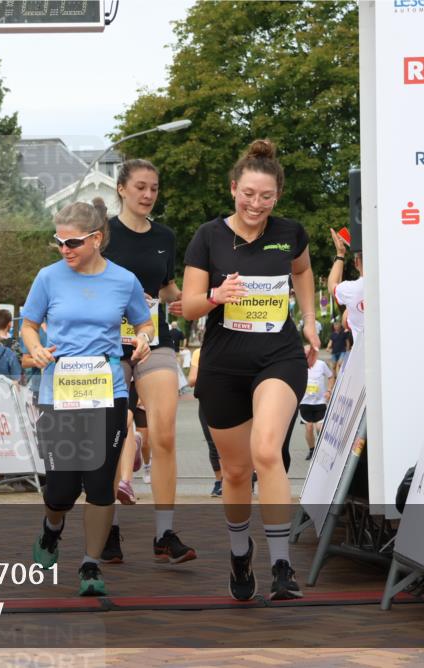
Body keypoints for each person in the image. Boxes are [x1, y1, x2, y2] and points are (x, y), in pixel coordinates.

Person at [182, 139, 320, 601]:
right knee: (236, 471)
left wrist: (310, 321)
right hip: (223, 362)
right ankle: (240, 554)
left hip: (278, 356)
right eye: (248, 194)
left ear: (277, 194)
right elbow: (190, 307)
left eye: (266, 196)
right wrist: (218, 297)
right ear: (233, 188)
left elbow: (303, 272)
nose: (256, 204)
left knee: (267, 451)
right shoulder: (208, 236)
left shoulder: (290, 232)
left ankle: (282, 566)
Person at [23, 201, 152, 596]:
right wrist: (37, 347)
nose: (65, 249)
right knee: (61, 490)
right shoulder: (48, 278)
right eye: (59, 242)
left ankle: (90, 565)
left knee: (99, 485)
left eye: (73, 242)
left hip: (107, 390)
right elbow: (28, 326)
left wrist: (144, 337)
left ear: (96, 239)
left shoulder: (124, 280)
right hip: (59, 392)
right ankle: (51, 529)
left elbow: (143, 320)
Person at [100, 159, 195, 565]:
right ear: (121, 188)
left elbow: (167, 285)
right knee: (111, 433)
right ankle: (109, 528)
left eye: (154, 188)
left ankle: (164, 532)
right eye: (140, 186)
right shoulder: (102, 233)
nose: (147, 194)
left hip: (153, 339)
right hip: (107, 343)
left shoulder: (165, 236)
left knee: (165, 432)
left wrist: (187, 300)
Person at [188, 347, 222, 497]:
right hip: (207, 401)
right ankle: (219, 481)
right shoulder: (199, 353)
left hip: (234, 401)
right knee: (213, 444)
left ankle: (242, 479)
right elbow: (191, 380)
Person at [328, 228, 365, 339]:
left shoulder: (350, 290)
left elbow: (332, 286)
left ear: (357, 262)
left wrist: (340, 254)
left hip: (363, 355)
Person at [300, 344, 333, 460]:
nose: (307, 355)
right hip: (304, 402)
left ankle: (321, 448)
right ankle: (312, 450)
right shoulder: (300, 365)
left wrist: (329, 390)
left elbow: (330, 376)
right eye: (305, 353)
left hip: (320, 402)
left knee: (319, 428)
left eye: (309, 353)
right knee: (309, 428)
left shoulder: (321, 364)